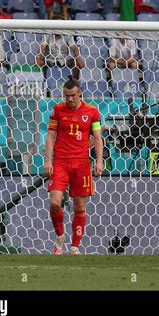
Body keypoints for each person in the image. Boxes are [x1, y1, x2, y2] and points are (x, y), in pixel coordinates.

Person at [44, 77, 103, 255]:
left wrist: (99, 161)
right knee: (55, 203)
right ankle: (60, 236)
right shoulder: (57, 110)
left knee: (79, 206)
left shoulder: (92, 111)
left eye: (73, 96)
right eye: (66, 96)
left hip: (82, 165)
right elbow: (51, 135)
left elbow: (98, 138)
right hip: (60, 163)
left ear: (80, 94)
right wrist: (48, 160)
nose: (69, 99)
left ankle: (75, 246)